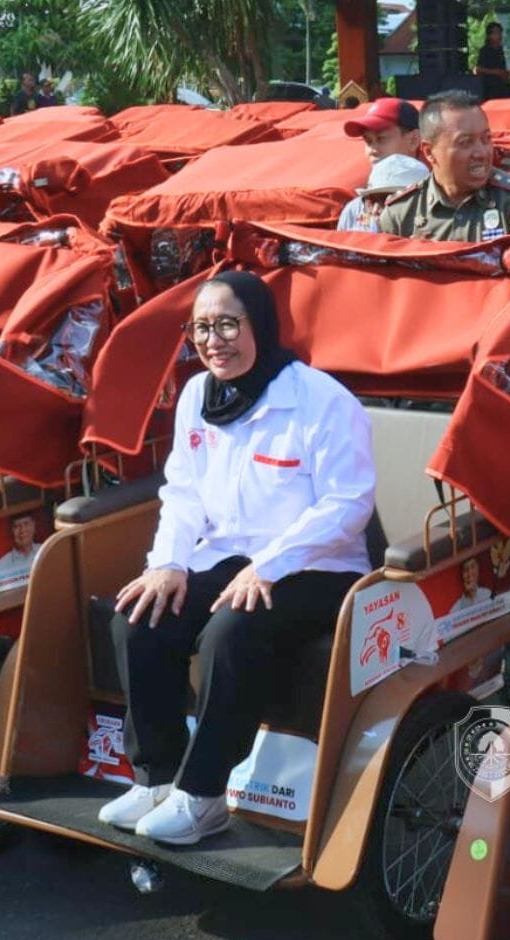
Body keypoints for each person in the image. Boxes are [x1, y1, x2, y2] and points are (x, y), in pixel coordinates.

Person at [98, 271, 375, 845]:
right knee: (139, 618)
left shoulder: (321, 400)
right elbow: (184, 491)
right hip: (228, 556)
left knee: (231, 632)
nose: (213, 339)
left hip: (318, 565)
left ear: (262, 325)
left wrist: (268, 566)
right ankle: (159, 778)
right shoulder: (199, 394)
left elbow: (348, 505)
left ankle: (203, 797)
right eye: (200, 327)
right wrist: (168, 562)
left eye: (227, 323)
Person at [378, 90, 510, 242]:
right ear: (429, 152)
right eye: (465, 143)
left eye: (486, 139)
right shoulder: (401, 213)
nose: (481, 153)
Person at [336, 97, 426, 232]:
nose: (372, 150)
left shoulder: (439, 206)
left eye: (381, 139)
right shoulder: (354, 211)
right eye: (368, 141)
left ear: (413, 140)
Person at [339, 154, 429, 233]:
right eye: (371, 200)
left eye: (388, 200)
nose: (375, 210)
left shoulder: (437, 228)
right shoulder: (353, 212)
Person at [0, 513, 39, 577]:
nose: (22, 530)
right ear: (10, 531)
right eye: (16, 526)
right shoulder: (1, 566)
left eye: (26, 524)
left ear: (33, 526)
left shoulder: (46, 551)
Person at [475, 22, 510, 102]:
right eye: (495, 33)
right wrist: (495, 72)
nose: (499, 36)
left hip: (503, 88)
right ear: (489, 36)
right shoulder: (485, 50)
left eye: (500, 33)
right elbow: (478, 69)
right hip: (490, 88)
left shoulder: (500, 50)